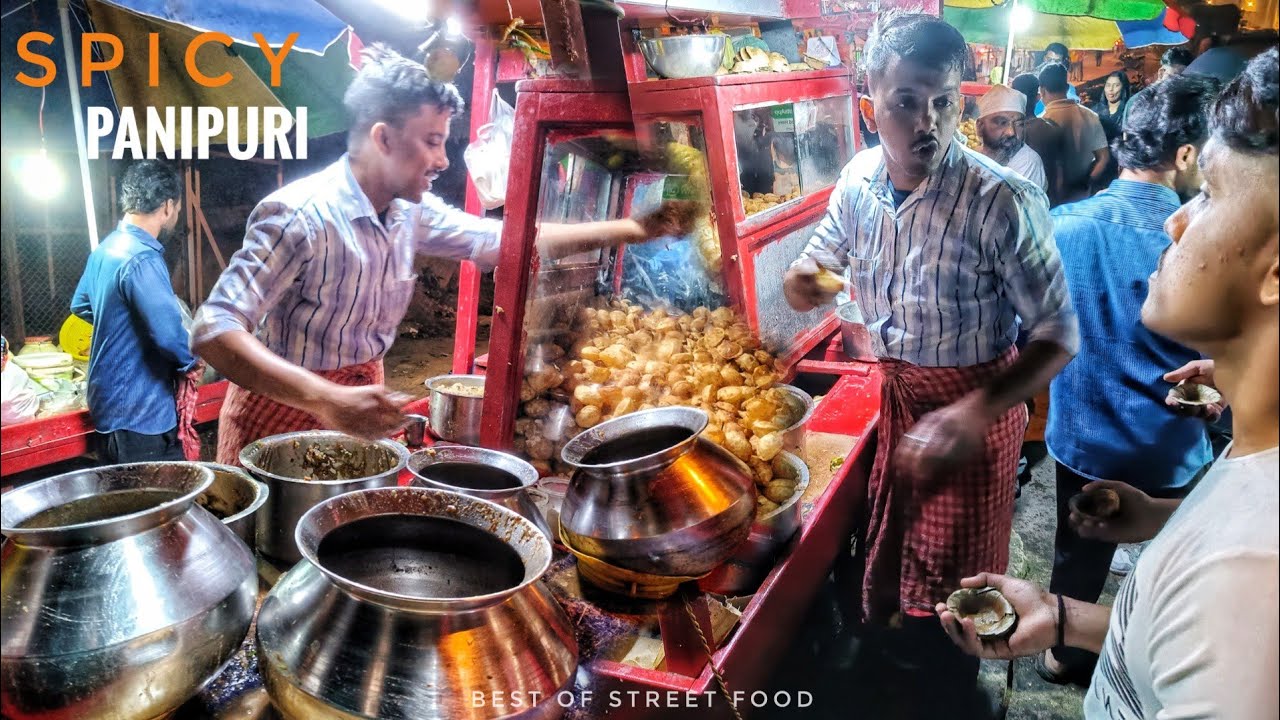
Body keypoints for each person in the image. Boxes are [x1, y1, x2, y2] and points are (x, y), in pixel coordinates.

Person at [938, 48, 1279, 720]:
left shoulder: (1250, 575)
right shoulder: (1240, 473)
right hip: (1162, 454)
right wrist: (1068, 617)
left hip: (1078, 438)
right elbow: (1173, 627)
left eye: (1210, 193)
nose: (1177, 220)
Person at [192, 45, 694, 464]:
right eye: (432, 142)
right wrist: (325, 398)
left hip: (359, 408)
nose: (443, 161)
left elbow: (509, 240)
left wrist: (631, 228)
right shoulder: (298, 214)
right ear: (383, 139)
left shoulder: (409, 212)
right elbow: (213, 330)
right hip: (279, 415)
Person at [783, 14, 1078, 717]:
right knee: (892, 560)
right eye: (906, 102)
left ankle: (951, 688)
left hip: (975, 412)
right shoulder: (856, 181)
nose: (928, 122)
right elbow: (821, 260)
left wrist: (973, 415)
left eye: (944, 101)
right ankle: (896, 667)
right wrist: (806, 275)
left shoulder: (1002, 201)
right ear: (869, 107)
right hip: (900, 399)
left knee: (959, 590)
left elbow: (1058, 334)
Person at [1040, 72, 1221, 686]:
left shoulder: (1062, 226)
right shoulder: (1202, 239)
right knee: (1172, 558)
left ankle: (1066, 654)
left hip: (1082, 437)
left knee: (1079, 554)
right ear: (1187, 154)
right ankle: (1147, 656)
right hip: (1168, 443)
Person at [71, 160, 199, 464]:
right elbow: (170, 337)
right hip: (141, 411)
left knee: (122, 496)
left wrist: (127, 327)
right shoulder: (142, 258)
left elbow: (81, 305)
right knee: (158, 503)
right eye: (178, 210)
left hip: (106, 406)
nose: (175, 215)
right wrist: (195, 360)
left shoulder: (105, 249)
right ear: (167, 206)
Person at [1039, 62, 1110, 202]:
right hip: (1082, 198)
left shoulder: (1041, 121)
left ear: (1041, 91)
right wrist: (1087, 181)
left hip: (1050, 200)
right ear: (1067, 87)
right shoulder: (1090, 116)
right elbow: (1104, 158)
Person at [975, 83, 1047, 190]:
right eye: (1002, 122)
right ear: (980, 127)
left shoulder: (1028, 162)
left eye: (1019, 124)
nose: (1011, 132)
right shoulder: (976, 155)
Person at [1012, 72, 1068, 203]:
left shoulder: (1008, 133)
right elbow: (1060, 174)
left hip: (1017, 202)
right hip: (1046, 200)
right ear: (1038, 97)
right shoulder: (1052, 129)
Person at [1092, 71, 1132, 190]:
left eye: (1116, 85)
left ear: (1123, 88)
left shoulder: (1128, 111)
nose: (1111, 89)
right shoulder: (1095, 111)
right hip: (1099, 164)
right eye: (1108, 85)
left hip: (1119, 165)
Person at [1034, 42, 1080, 114]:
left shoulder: (1069, 90)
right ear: (1044, 58)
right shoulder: (1033, 82)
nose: (1051, 63)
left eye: (1057, 61)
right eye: (1049, 59)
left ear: (1064, 62)